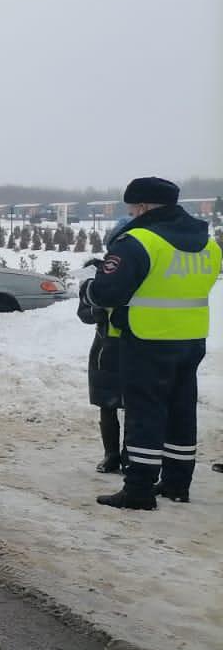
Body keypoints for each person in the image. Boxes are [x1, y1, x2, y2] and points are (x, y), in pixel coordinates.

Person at [83, 177, 221, 509]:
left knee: (144, 413)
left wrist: (88, 287)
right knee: (181, 412)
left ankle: (139, 490)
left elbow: (107, 292)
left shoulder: (138, 241)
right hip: (191, 339)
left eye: (133, 208)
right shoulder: (208, 243)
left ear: (143, 206)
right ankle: (176, 484)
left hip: (147, 339)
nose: (131, 213)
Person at [77, 228, 127, 473]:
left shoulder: (136, 273)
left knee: (134, 406)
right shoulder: (96, 275)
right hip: (103, 351)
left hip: (133, 348)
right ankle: (111, 455)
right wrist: (96, 311)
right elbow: (83, 314)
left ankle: (130, 455)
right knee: (106, 405)